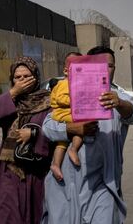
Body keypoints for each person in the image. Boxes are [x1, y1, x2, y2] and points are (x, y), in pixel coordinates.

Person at [41, 46, 133, 224]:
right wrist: (72, 129)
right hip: (67, 183)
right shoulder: (69, 91)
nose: (105, 70)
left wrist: (119, 103)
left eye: (110, 66)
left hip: (104, 184)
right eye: (101, 65)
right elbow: (47, 127)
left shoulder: (117, 97)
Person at [0, 56, 53, 223]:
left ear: (36, 76)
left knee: (35, 214)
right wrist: (13, 93)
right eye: (17, 77)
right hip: (10, 169)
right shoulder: (10, 101)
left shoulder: (49, 101)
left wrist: (34, 135)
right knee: (8, 214)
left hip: (36, 170)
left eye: (27, 76)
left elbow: (57, 132)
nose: (22, 81)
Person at [49, 52, 83, 182]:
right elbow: (61, 99)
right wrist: (76, 99)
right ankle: (73, 149)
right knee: (82, 126)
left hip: (62, 114)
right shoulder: (64, 83)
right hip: (63, 113)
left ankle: (55, 165)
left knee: (61, 144)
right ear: (66, 71)